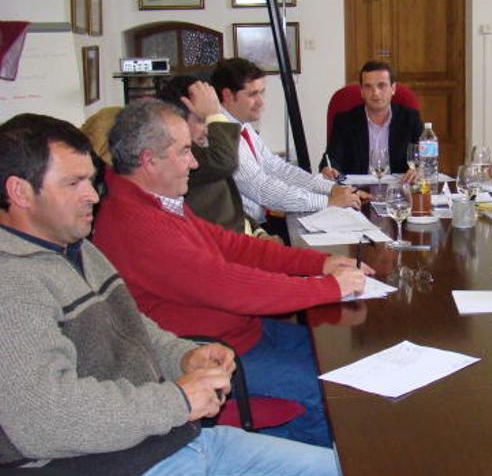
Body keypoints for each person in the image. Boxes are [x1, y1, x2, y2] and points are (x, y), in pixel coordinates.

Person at [0, 113, 338, 475]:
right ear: (19, 192)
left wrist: (184, 355)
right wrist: (176, 400)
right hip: (117, 463)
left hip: (169, 438)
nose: (91, 196)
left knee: (341, 467)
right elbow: (44, 419)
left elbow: (133, 326)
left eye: (90, 180)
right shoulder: (12, 284)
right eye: (73, 183)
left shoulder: (78, 249)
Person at [92, 100, 372, 448]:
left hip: (241, 332)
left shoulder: (154, 202)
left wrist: (317, 264)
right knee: (332, 393)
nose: (194, 163)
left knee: (344, 359)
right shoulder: (136, 226)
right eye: (184, 152)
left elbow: (233, 246)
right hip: (217, 350)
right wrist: (328, 288)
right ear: (149, 161)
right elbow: (233, 287)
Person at [210, 58, 363, 226]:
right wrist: (327, 202)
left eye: (262, 92)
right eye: (253, 94)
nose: (261, 102)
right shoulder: (221, 133)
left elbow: (277, 167)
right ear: (227, 95)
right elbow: (262, 188)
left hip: (259, 222)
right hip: (245, 231)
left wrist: (330, 188)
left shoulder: (241, 124)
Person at [157, 75, 251, 234]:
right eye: (202, 120)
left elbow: (230, 203)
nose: (208, 129)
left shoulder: (203, 150)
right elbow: (225, 161)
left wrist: (257, 232)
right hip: (220, 247)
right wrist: (214, 114)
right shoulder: (179, 159)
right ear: (177, 122)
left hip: (243, 237)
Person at [320, 61, 422, 183]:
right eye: (368, 86)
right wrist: (327, 169)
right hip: (357, 195)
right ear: (362, 91)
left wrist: (420, 170)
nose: (375, 93)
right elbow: (331, 158)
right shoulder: (345, 121)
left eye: (381, 85)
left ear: (393, 88)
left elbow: (424, 158)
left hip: (399, 192)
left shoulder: (410, 118)